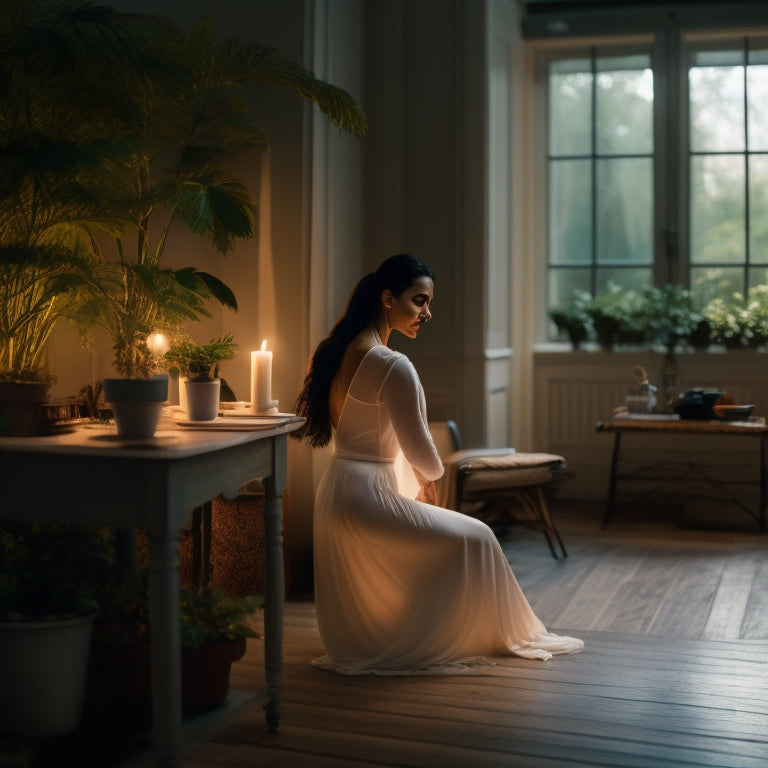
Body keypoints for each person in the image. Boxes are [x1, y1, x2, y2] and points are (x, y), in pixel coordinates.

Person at [292, 253, 583, 675]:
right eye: (419, 301)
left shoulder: (335, 351)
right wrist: (430, 482)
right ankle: (469, 634)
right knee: (477, 535)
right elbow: (425, 455)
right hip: (368, 494)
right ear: (388, 298)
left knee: (460, 539)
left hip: (338, 491)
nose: (427, 313)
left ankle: (418, 629)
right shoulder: (391, 364)